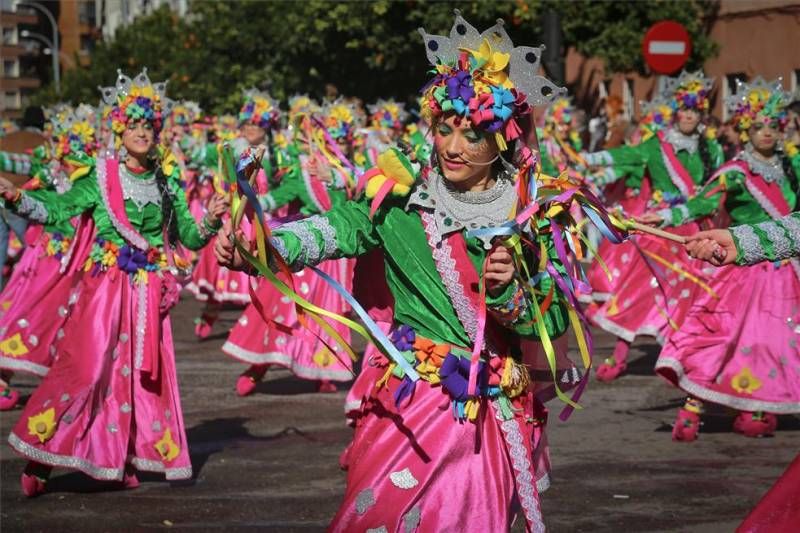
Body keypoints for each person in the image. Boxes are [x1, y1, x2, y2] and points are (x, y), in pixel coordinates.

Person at [215, 13, 603, 531]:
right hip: (412, 401)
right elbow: (335, 230)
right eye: (445, 129)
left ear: (506, 139)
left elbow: (551, 329)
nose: (453, 146)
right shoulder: (400, 199)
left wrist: (509, 291)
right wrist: (261, 246)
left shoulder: (529, 216)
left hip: (485, 413)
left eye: (474, 133)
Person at [0, 68, 227, 496]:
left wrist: (212, 215)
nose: (142, 132)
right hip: (105, 291)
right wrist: (17, 197)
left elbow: (189, 238)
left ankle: (118, 458)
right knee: (85, 371)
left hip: (147, 295)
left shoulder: (166, 179)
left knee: (136, 379)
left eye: (149, 125)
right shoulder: (100, 176)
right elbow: (57, 210)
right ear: (120, 129)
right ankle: (41, 456)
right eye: (135, 124)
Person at [652, 77, 800, 441]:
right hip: (744, 269)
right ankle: (694, 404)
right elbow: (701, 203)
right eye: (759, 125)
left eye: (773, 125)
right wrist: (665, 217)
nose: (767, 132)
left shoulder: (793, 168)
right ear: (746, 128)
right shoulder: (735, 172)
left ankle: (760, 404)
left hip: (785, 269)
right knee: (720, 335)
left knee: (776, 342)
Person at [582, 70, 724, 382]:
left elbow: (714, 193)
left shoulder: (712, 149)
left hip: (696, 228)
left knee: (693, 293)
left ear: (702, 114)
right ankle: (620, 356)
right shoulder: (656, 145)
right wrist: (589, 158)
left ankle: (682, 354)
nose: (689, 115)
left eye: (695, 110)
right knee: (641, 291)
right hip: (659, 230)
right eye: (684, 109)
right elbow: (627, 155)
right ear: (676, 112)